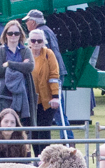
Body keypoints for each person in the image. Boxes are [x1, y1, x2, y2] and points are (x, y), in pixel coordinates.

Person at [25, 9, 72, 139]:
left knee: (57, 109)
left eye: (27, 21)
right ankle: (67, 138)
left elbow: (47, 57)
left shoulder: (41, 33)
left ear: (33, 22)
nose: (26, 24)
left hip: (52, 75)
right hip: (55, 73)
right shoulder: (48, 30)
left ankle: (68, 139)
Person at [0, 20, 36, 129]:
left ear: (21, 35)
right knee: (3, 123)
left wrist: (9, 64)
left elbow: (30, 67)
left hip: (23, 94)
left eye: (16, 33)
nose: (13, 36)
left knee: (23, 125)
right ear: (5, 35)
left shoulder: (26, 50)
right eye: (10, 33)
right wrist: (20, 66)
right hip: (3, 93)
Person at [27, 27, 61, 156]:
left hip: (46, 101)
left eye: (39, 41)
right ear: (29, 42)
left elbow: (54, 75)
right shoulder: (25, 54)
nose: (36, 43)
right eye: (33, 40)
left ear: (44, 42)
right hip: (30, 101)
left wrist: (55, 96)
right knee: (32, 131)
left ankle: (45, 158)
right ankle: (36, 159)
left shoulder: (48, 54)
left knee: (44, 130)